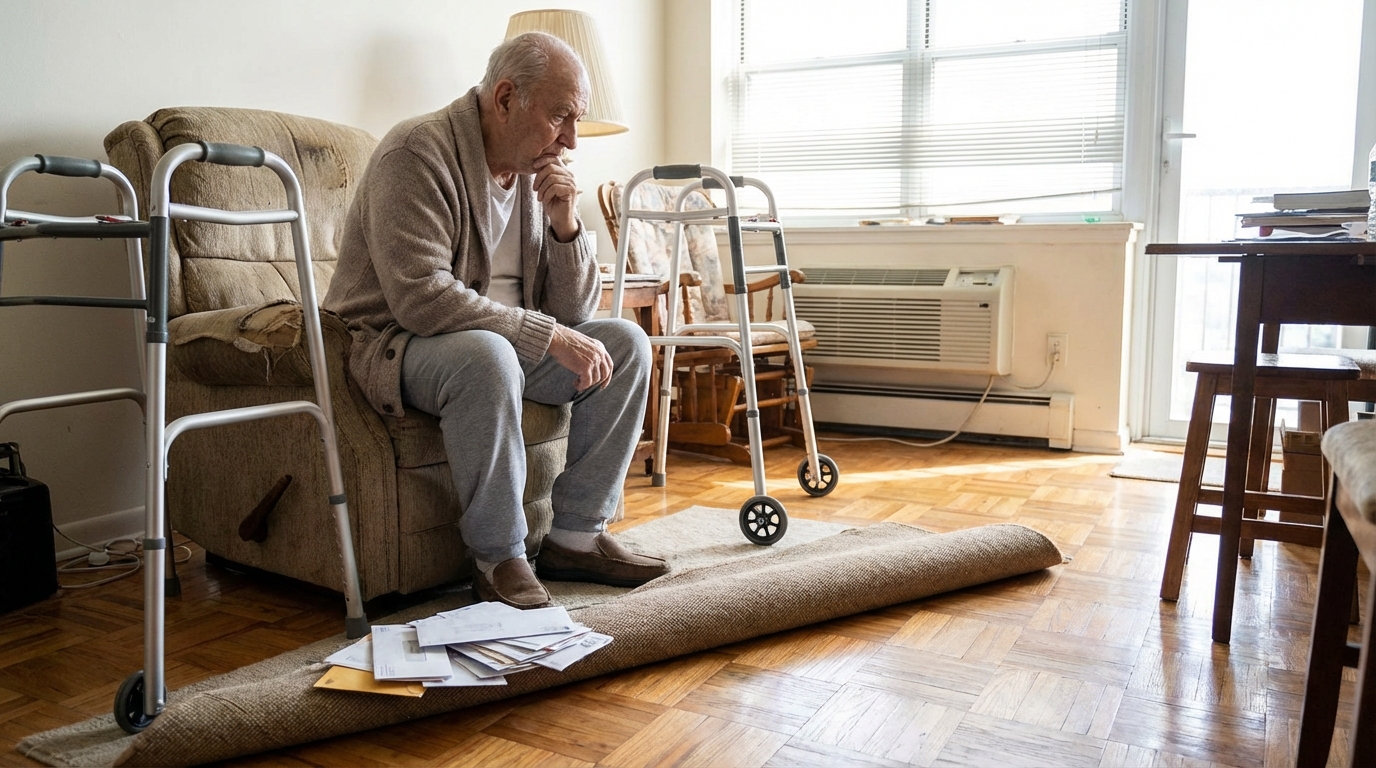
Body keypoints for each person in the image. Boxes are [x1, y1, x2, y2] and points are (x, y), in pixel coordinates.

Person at [324, 32, 668, 610]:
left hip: (497, 341)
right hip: (396, 343)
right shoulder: (415, 154)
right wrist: (547, 335)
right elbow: (422, 298)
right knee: (488, 355)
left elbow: (577, 314)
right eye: (561, 117)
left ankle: (576, 537)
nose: (572, 140)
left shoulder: (534, 172)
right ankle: (499, 558)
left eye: (576, 120)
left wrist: (565, 226)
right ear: (506, 98)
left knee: (627, 343)